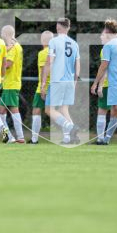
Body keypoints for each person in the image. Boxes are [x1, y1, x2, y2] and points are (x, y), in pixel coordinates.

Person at [90, 19, 117, 146]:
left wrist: (95, 83)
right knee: (114, 112)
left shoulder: (108, 46)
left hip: (116, 83)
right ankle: (106, 139)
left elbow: (103, 66)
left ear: (107, 31)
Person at [40, 17, 80, 145]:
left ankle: (70, 127)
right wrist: (75, 81)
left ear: (58, 28)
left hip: (57, 80)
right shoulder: (74, 43)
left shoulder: (54, 41)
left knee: (48, 109)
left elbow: (48, 63)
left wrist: (43, 83)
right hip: (69, 81)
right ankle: (69, 138)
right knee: (64, 109)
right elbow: (77, 65)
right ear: (68, 28)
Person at [0, 25, 25, 143]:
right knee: (2, 111)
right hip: (11, 83)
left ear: (5, 35)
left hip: (11, 83)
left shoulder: (14, 47)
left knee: (11, 110)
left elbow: (8, 64)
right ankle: (7, 136)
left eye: (2, 35)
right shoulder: (15, 46)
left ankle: (17, 136)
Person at [29, 30, 53, 144]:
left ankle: (34, 139)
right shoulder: (56, 52)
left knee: (36, 110)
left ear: (42, 41)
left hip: (44, 87)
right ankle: (67, 135)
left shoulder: (43, 53)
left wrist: (43, 86)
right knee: (58, 111)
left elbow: (44, 69)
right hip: (55, 86)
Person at [91, 30, 110, 145]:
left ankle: (100, 139)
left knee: (102, 111)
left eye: (102, 34)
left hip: (108, 85)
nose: (100, 37)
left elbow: (104, 69)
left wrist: (100, 86)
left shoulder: (106, 49)